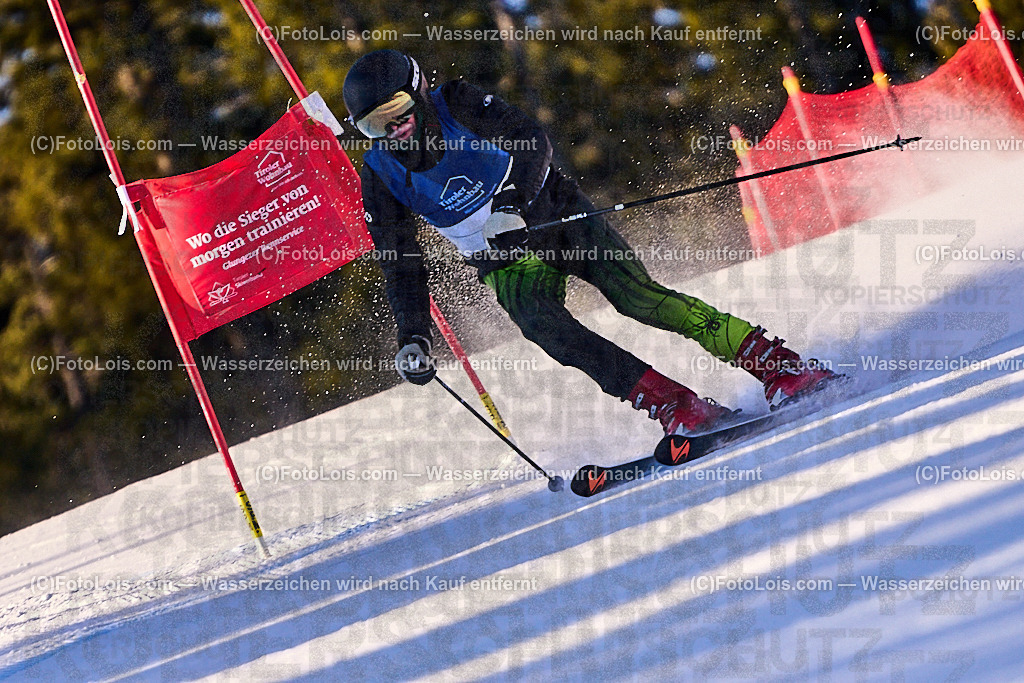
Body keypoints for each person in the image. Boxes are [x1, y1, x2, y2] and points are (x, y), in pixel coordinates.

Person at [343, 49, 836, 436]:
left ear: (418, 94)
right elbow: (400, 263)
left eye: (396, 111)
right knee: (548, 331)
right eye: (372, 126)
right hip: (504, 261)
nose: (391, 130)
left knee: (639, 300)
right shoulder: (380, 176)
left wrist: (514, 206)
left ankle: (778, 366)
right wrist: (413, 333)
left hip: (554, 214)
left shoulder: (458, 103)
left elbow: (530, 139)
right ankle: (675, 404)